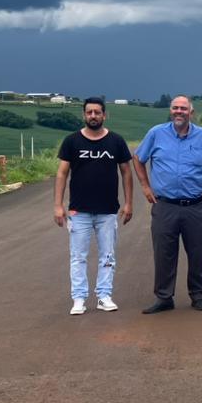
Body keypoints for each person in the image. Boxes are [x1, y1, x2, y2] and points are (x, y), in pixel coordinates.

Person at [132, 95, 202, 313]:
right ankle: (164, 297)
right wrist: (145, 186)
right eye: (175, 108)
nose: (179, 112)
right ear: (170, 111)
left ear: (191, 113)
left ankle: (198, 295)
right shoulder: (156, 134)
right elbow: (138, 158)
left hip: (196, 206)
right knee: (163, 253)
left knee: (197, 252)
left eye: (183, 108)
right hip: (165, 205)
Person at [53, 97, 134, 315]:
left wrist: (128, 203)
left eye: (97, 112)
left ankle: (104, 296)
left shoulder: (116, 142)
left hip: (107, 210)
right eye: (89, 112)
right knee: (78, 256)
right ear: (84, 115)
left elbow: (126, 173)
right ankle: (79, 298)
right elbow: (62, 173)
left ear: (104, 115)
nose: (93, 116)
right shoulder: (72, 141)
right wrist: (58, 205)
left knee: (107, 256)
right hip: (79, 211)